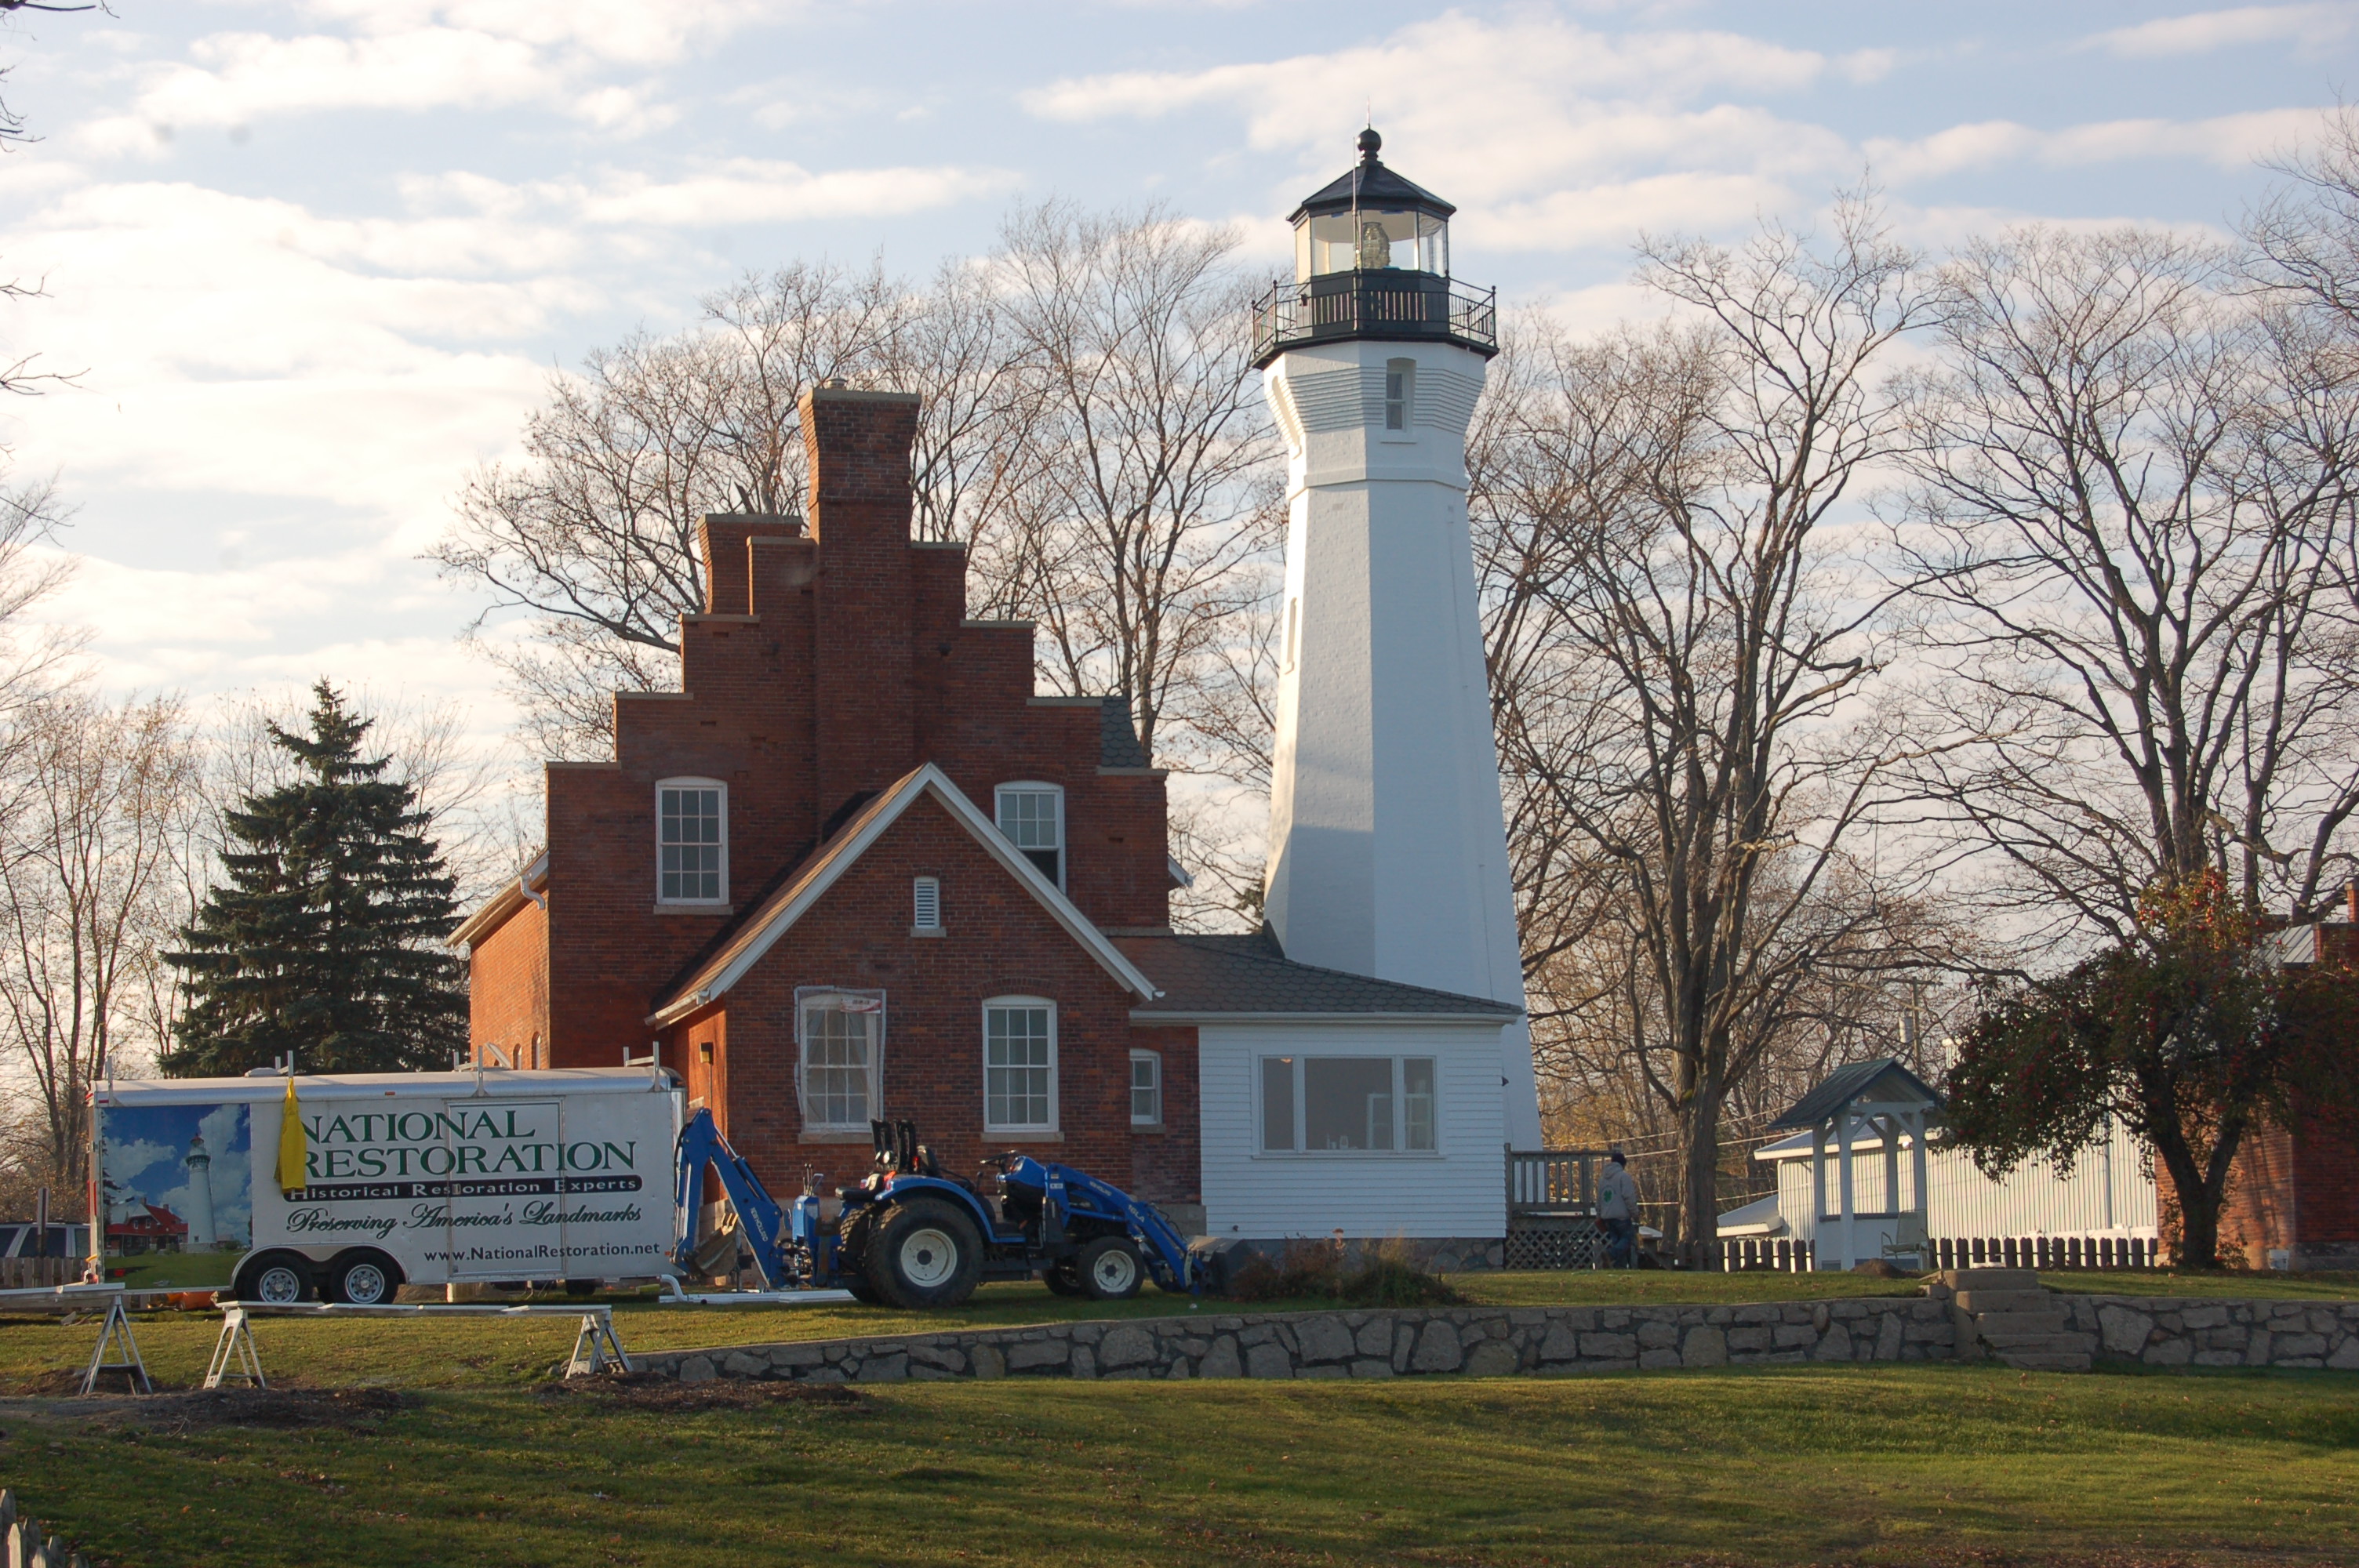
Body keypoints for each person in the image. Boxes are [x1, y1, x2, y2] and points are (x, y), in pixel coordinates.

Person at [1596, 1149, 1638, 1267]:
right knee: (1627, 1239)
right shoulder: (1623, 1177)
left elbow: (1599, 1199)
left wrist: (1599, 1215)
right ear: (1623, 1164)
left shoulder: (1602, 1179)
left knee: (1617, 1243)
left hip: (1607, 1217)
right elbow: (1628, 1197)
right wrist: (1635, 1213)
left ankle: (1618, 1267)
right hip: (1621, 1216)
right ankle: (1610, 1254)